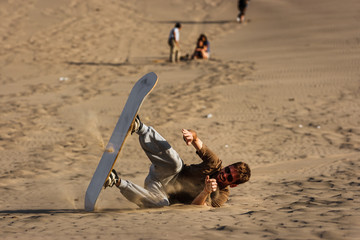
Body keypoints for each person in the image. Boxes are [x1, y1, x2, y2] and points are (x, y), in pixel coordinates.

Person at [104, 116, 251, 208]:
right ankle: (140, 128)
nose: (224, 175)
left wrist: (206, 191)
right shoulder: (215, 163)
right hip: (166, 174)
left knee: (162, 204)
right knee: (176, 163)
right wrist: (190, 135)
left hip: (160, 193)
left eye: (229, 177)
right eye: (227, 170)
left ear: (233, 184)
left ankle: (115, 181)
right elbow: (196, 139)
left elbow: (197, 207)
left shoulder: (221, 196)